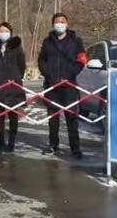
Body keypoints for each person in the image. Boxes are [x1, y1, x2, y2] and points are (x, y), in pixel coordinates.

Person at [37, 12, 87, 159]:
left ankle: (75, 148)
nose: (60, 24)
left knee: (72, 118)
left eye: (62, 21)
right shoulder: (47, 41)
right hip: (52, 85)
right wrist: (48, 74)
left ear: (67, 23)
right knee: (53, 118)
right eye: (57, 22)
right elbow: (41, 60)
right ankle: (53, 145)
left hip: (69, 85)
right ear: (53, 24)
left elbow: (81, 59)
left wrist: (71, 73)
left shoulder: (76, 41)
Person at [0, 22, 26, 153]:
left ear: (10, 32)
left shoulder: (16, 47)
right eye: (1, 31)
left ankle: (11, 143)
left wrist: (15, 76)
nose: (4, 33)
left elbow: (22, 65)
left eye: (6, 31)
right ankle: (0, 142)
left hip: (13, 84)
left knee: (13, 115)